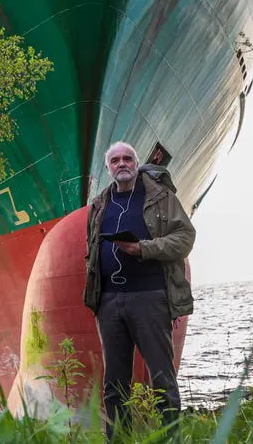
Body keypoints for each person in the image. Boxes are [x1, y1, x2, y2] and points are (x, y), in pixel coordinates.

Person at [83, 141, 195, 433]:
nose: (122, 164)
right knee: (114, 382)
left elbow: (185, 238)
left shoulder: (160, 197)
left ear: (136, 163)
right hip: (109, 302)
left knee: (162, 377)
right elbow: (91, 249)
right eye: (115, 160)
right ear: (107, 168)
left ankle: (170, 438)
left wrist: (144, 248)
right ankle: (119, 439)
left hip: (150, 298)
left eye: (128, 159)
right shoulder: (99, 204)